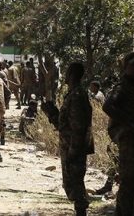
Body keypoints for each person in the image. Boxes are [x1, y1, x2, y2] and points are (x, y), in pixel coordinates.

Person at [103, 52, 134, 215]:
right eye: (133, 66)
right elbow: (108, 106)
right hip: (128, 141)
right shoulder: (122, 86)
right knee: (129, 182)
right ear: (126, 67)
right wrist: (128, 121)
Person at [59, 62, 94, 216]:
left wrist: (74, 149)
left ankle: (81, 211)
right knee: (71, 182)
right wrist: (52, 114)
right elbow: (65, 123)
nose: (65, 76)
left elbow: (78, 126)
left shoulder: (78, 95)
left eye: (67, 72)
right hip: (70, 144)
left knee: (75, 182)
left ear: (72, 75)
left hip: (74, 146)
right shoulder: (73, 94)